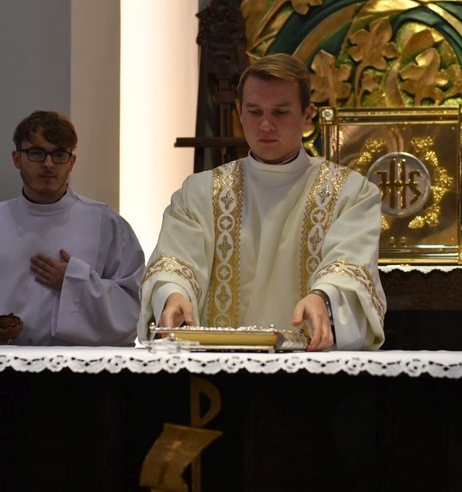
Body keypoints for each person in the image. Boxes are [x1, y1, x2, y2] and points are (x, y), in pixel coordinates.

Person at [137, 53, 386, 351]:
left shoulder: (350, 192)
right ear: (239, 113)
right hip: (217, 368)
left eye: (280, 112)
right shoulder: (202, 192)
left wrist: (325, 297)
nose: (266, 125)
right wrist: (173, 294)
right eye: (254, 112)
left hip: (311, 367)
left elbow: (349, 264)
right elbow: (175, 260)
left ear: (308, 114)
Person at [0, 110, 145, 345]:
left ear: (72, 162)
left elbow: (133, 306)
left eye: (59, 154)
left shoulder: (107, 224)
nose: (48, 164)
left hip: (82, 371)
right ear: (17, 158)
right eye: (37, 153)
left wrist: (74, 283)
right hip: (7, 368)